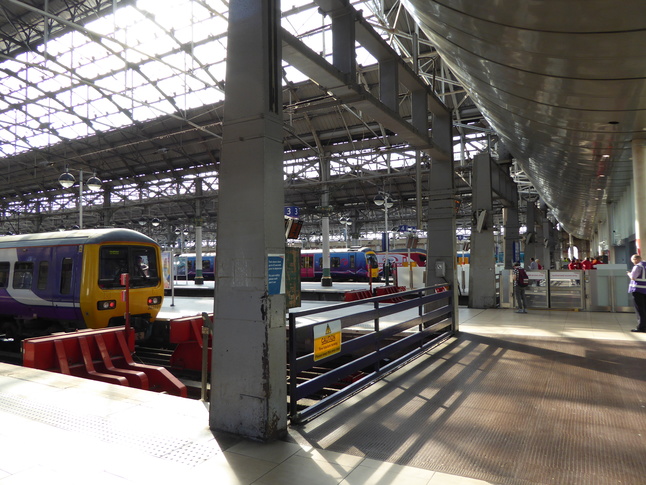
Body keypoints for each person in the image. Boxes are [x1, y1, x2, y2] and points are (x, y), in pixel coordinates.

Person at [627, 254, 646, 333]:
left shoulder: (638, 266)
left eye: (633, 261)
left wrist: (629, 273)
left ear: (635, 259)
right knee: (644, 308)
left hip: (638, 290)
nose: (633, 263)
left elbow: (633, 277)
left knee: (639, 309)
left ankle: (641, 327)